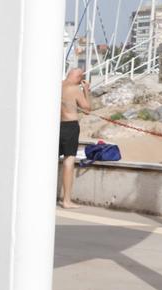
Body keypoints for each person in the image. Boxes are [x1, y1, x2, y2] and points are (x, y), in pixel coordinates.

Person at [60, 67, 91, 209]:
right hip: (70, 126)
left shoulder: (57, 85)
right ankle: (66, 200)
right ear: (79, 78)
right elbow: (87, 109)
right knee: (69, 161)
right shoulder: (74, 89)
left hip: (55, 126)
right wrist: (86, 90)